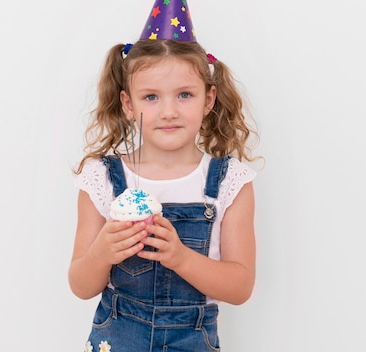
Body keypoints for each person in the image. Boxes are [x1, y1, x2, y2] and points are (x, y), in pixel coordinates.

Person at [69, 0, 259, 350]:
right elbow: (81, 285)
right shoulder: (104, 179)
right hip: (119, 335)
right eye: (151, 96)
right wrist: (103, 252)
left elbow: (241, 287)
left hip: (192, 338)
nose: (169, 111)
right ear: (128, 104)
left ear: (208, 99)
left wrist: (181, 258)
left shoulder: (229, 182)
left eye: (185, 94)